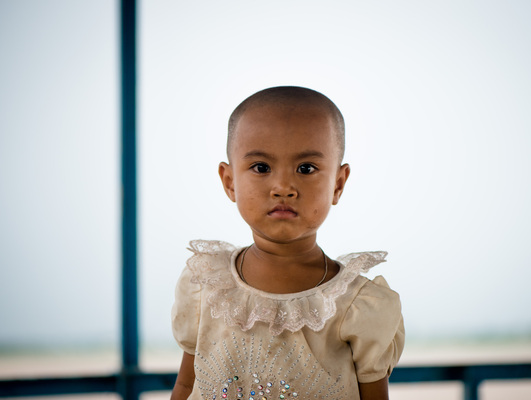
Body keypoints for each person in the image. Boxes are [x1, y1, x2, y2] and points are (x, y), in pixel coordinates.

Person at [171, 86, 405, 400]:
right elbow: (186, 385)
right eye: (261, 168)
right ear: (230, 182)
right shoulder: (207, 287)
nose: (283, 187)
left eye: (306, 169)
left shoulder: (355, 305)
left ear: (338, 183)